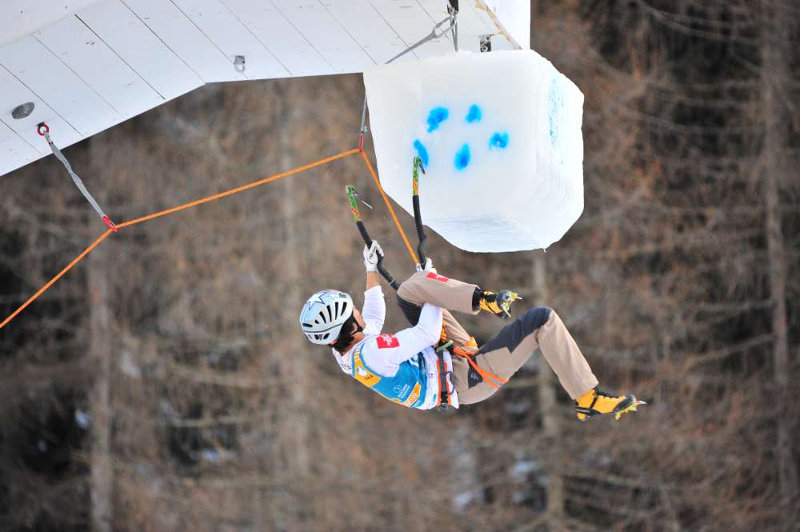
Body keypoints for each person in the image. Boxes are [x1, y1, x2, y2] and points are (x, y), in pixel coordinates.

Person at [299, 242, 642, 420]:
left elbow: (373, 315)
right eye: (353, 311)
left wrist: (371, 269)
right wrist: (431, 283)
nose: (359, 311)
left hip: (449, 356)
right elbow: (426, 335)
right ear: (347, 324)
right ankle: (588, 398)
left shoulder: (346, 350)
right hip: (468, 380)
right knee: (542, 320)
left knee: (409, 291)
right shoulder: (371, 353)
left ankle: (483, 299)